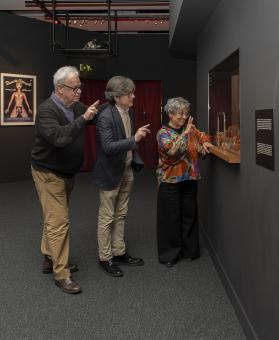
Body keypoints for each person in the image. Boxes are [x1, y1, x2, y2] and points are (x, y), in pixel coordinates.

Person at [31, 66, 99, 294]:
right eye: (74, 88)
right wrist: (83, 118)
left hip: (67, 174)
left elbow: (90, 116)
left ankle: (49, 257)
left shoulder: (74, 106)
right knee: (59, 223)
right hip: (48, 174)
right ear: (60, 89)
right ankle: (62, 274)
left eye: (80, 87)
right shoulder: (46, 111)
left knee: (53, 218)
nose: (79, 91)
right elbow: (60, 138)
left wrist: (104, 108)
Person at [93, 76, 150, 277]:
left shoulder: (128, 111)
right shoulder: (106, 116)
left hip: (126, 169)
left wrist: (132, 142)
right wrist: (134, 139)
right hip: (110, 172)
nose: (133, 95)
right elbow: (108, 147)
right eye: (129, 93)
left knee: (122, 213)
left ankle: (118, 252)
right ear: (117, 97)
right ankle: (105, 258)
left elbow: (125, 142)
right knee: (107, 216)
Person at [156, 97, 212, 267]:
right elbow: (172, 151)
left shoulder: (191, 129)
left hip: (190, 178)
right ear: (171, 114)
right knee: (170, 218)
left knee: (189, 214)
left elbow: (202, 136)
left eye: (186, 113)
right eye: (180, 113)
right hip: (170, 181)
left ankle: (190, 250)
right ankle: (170, 254)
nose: (184, 116)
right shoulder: (163, 133)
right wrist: (186, 134)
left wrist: (205, 142)